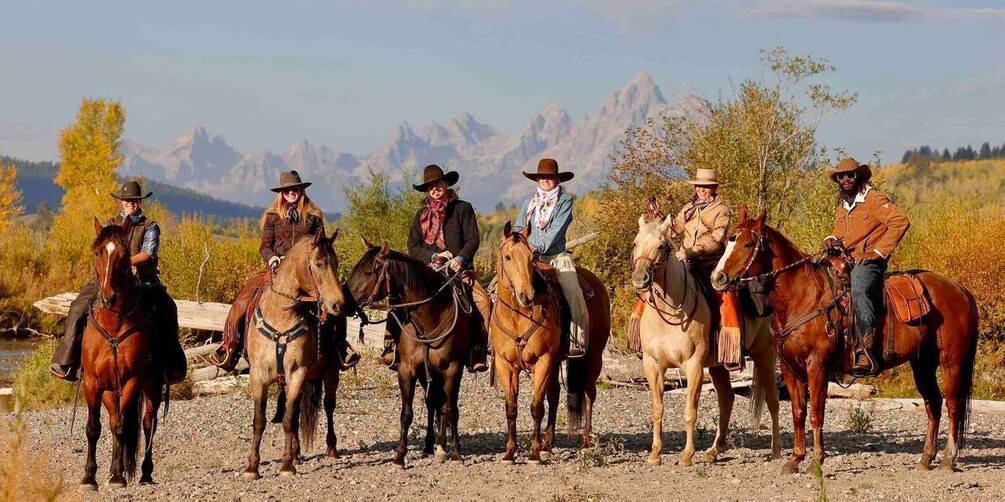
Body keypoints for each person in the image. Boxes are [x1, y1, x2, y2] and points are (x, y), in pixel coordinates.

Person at [212, 170, 360, 371]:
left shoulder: (313, 217)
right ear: (281, 193)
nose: (291, 192)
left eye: (295, 188)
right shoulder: (273, 217)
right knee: (243, 300)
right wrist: (272, 257)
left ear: (301, 190)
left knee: (334, 299)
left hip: (307, 273)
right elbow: (265, 245)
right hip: (276, 270)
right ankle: (230, 346)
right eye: (287, 189)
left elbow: (322, 247)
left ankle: (340, 347)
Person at [50, 180, 187, 384]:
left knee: (168, 308)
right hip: (109, 277)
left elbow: (149, 254)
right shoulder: (108, 225)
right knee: (77, 306)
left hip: (143, 278)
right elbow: (102, 252)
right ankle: (67, 361)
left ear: (139, 201)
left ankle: (171, 364)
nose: (130, 203)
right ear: (121, 201)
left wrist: (129, 262)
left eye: (133, 200)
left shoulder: (150, 227)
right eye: (126, 199)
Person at [383, 163, 490, 373]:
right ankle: (391, 347)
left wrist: (460, 258)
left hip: (458, 270)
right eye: (430, 186)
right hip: (427, 272)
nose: (434, 188)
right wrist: (433, 256)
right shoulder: (420, 215)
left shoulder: (462, 208)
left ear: (446, 183)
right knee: (397, 298)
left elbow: (473, 239)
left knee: (483, 301)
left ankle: (477, 349)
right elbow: (413, 246)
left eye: (437, 183)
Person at [822, 157, 910, 376]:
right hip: (845, 260)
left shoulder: (873, 198)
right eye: (841, 176)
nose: (845, 179)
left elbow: (900, 221)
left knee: (860, 289)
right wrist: (830, 239)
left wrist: (877, 253)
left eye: (850, 175)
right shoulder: (842, 203)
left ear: (858, 176)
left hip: (868, 262)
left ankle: (866, 349)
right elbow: (841, 232)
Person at [513, 159, 588, 357]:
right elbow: (520, 228)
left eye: (550, 177)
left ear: (556, 179)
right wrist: (519, 246)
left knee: (574, 293)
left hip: (555, 256)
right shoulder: (528, 203)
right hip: (529, 257)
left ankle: (576, 340)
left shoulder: (565, 201)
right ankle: (495, 341)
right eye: (542, 177)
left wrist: (537, 245)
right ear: (537, 179)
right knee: (498, 289)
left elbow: (557, 229)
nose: (546, 180)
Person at [664, 168, 732, 298]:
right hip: (683, 260)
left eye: (705, 187)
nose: (701, 189)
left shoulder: (722, 210)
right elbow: (673, 231)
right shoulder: (689, 207)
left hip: (708, 263)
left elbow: (717, 239)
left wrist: (691, 252)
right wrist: (659, 220)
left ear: (714, 188)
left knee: (721, 297)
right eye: (698, 186)